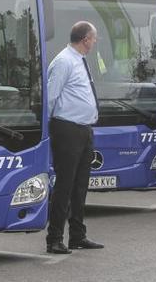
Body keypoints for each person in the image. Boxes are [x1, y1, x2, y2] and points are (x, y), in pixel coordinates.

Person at [45, 21, 104, 254]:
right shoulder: (63, 61)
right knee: (65, 185)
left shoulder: (80, 59)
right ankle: (54, 238)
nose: (94, 42)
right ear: (85, 39)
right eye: (93, 38)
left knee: (80, 186)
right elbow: (51, 96)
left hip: (84, 130)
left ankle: (77, 235)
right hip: (67, 129)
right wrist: (47, 130)